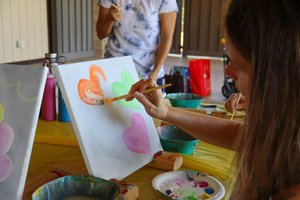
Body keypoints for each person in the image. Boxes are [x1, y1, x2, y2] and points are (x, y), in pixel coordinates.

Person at [126, 0, 300, 199]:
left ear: (278, 80)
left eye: (238, 66)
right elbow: (237, 135)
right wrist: (166, 112)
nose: (227, 71)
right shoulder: (283, 132)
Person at [96, 0, 178, 85]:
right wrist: (109, 18)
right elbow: (100, 34)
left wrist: (155, 73)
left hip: (148, 75)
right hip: (114, 70)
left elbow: (166, 39)